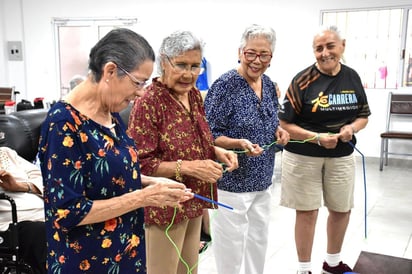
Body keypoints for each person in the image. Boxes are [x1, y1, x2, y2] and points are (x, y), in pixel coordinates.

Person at [37, 28, 193, 273]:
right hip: (88, 262)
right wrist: (144, 198)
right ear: (110, 71)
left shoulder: (111, 113)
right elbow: (68, 212)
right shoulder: (64, 125)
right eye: (138, 82)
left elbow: (110, 176)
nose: (141, 92)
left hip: (125, 254)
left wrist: (153, 184)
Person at [127, 30, 239, 274]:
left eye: (195, 66)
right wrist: (190, 168)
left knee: (188, 269)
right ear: (163, 62)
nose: (189, 74)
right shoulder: (148, 102)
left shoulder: (194, 95)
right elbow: (139, 165)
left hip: (194, 197)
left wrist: (217, 151)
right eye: (181, 65)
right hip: (164, 206)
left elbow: (197, 139)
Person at [278, 25, 371, 274]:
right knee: (307, 212)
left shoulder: (352, 76)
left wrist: (352, 128)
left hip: (341, 155)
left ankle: (332, 263)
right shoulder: (302, 80)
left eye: (330, 46)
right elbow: (284, 123)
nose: (325, 53)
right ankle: (304, 268)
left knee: (341, 209)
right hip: (304, 156)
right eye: (318, 48)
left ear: (342, 46)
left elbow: (363, 116)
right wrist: (316, 137)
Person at [203, 24, 290, 274]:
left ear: (271, 57)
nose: (257, 60)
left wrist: (279, 131)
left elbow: (271, 121)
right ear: (240, 52)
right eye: (251, 53)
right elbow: (208, 135)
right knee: (230, 246)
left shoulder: (270, 84)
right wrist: (237, 143)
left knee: (257, 241)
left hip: (263, 179)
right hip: (232, 183)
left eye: (264, 55)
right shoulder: (224, 86)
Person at [0, 146, 46, 274]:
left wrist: (19, 186)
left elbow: (43, 180)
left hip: (47, 213)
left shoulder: (6, 153)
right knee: (42, 232)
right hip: (11, 226)